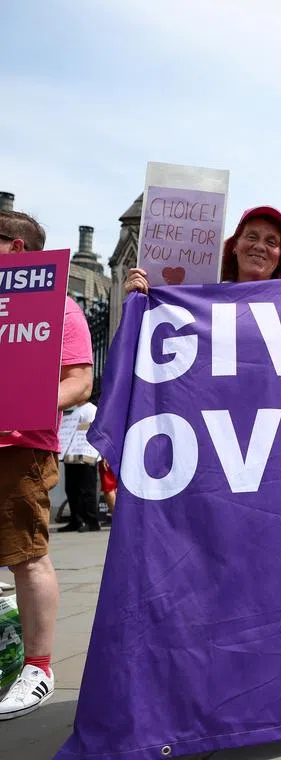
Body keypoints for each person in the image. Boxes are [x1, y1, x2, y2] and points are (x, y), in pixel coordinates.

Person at [0, 209, 93, 719]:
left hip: (20, 445)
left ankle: (38, 668)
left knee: (26, 554)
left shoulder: (61, 308)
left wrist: (24, 404)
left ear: (15, 249)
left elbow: (80, 380)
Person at [124, 205, 281, 294]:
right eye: (251, 237)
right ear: (235, 246)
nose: (259, 246)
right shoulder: (203, 299)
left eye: (271, 242)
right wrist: (141, 300)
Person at [58, 401, 101, 533]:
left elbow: (95, 430)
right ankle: (75, 520)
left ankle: (92, 521)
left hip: (86, 456)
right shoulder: (74, 411)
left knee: (87, 490)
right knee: (71, 489)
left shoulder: (91, 409)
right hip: (71, 456)